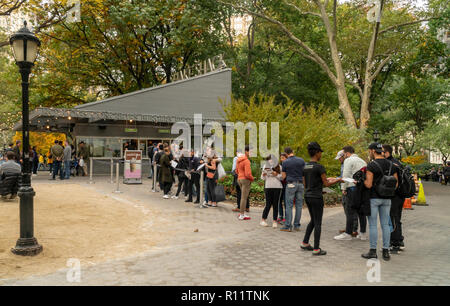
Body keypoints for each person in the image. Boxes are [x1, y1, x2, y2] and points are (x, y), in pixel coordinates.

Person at [301, 142, 342, 256]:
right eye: (320, 153)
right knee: (318, 222)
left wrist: (318, 187)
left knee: (313, 220)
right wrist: (338, 180)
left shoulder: (305, 166)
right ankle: (316, 249)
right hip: (316, 197)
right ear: (317, 153)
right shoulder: (319, 167)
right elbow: (326, 183)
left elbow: (305, 184)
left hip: (308, 196)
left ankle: (305, 242)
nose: (321, 155)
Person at [362, 143, 398, 261]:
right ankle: (386, 251)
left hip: (374, 198)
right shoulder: (392, 165)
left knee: (372, 225)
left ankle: (373, 251)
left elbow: (368, 184)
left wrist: (361, 180)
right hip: (387, 198)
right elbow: (396, 184)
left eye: (369, 151)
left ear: (373, 151)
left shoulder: (371, 165)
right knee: (385, 225)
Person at [334, 146, 368, 241]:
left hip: (352, 188)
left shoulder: (348, 160)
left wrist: (343, 188)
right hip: (362, 188)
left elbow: (345, 175)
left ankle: (348, 233)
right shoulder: (362, 161)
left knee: (350, 211)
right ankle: (363, 233)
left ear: (346, 153)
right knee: (361, 212)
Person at [382, 144, 405, 253]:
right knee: (396, 218)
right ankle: (399, 240)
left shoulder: (390, 164)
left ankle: (395, 243)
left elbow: (394, 182)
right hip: (400, 195)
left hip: (395, 196)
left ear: (387, 153)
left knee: (393, 219)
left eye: (381, 151)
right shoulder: (397, 162)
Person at [280, 147, 305, 232]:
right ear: (293, 152)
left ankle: (287, 226)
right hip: (300, 184)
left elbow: (283, 176)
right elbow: (304, 174)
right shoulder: (301, 160)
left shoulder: (285, 162)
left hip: (291, 184)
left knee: (289, 205)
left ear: (286, 154)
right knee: (299, 205)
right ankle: (297, 225)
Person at [260, 154, 282, 228]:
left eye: (272, 159)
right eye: (269, 159)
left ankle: (274, 221)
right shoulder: (265, 167)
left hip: (277, 187)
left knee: (276, 204)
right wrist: (264, 174)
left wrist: (276, 174)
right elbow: (262, 178)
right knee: (268, 204)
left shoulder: (279, 167)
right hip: (268, 187)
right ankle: (263, 220)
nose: (270, 160)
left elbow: (282, 178)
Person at [236, 145, 254, 220]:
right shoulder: (246, 161)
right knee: (244, 198)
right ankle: (242, 215)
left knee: (243, 197)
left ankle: (242, 213)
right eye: (251, 151)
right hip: (245, 180)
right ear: (246, 151)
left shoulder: (239, 159)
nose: (252, 153)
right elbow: (248, 174)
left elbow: (236, 170)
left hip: (239, 179)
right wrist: (252, 178)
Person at [277, 153, 288, 224]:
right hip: (279, 185)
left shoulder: (288, 166)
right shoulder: (279, 166)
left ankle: (286, 218)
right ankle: (280, 216)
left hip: (286, 185)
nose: (282, 159)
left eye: (283, 157)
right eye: (281, 158)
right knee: (279, 201)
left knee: (286, 202)